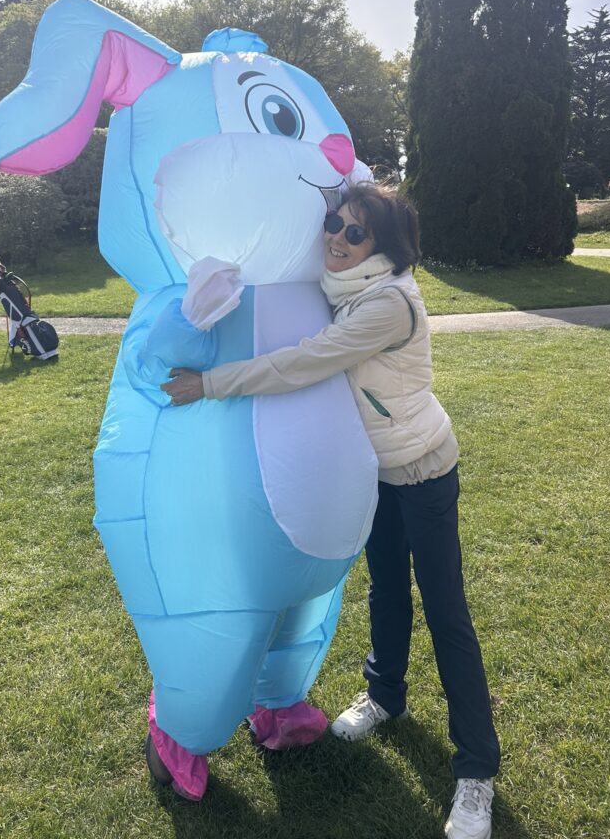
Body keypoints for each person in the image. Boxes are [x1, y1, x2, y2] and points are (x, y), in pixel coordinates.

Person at [162, 183, 500, 839]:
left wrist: (211, 384)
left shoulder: (388, 304)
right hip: (375, 471)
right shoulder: (343, 287)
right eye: (333, 224)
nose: (337, 239)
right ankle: (384, 696)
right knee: (386, 594)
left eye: (355, 233)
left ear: (385, 248)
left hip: (424, 469)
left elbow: (306, 362)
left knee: (445, 612)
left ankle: (476, 772)